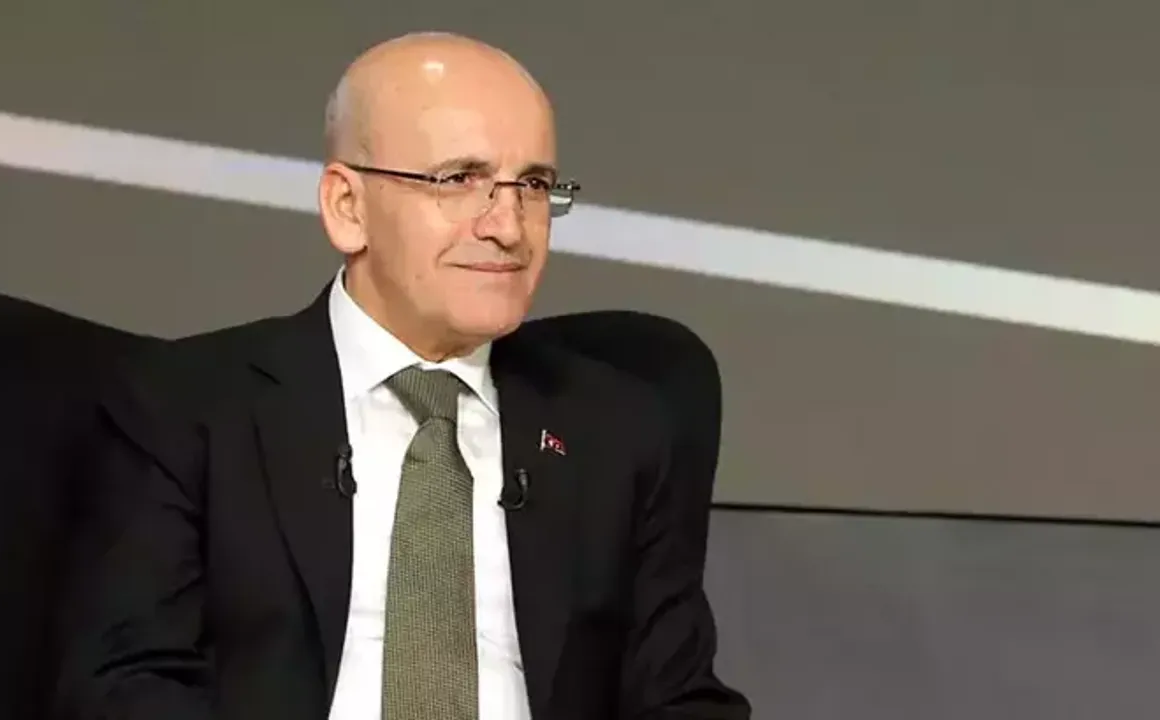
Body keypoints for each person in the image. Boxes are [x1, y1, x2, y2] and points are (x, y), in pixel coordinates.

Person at [52, 31, 750, 720]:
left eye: (533, 185)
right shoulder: (186, 407)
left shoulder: (617, 429)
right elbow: (124, 684)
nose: (509, 226)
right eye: (460, 179)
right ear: (347, 208)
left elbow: (680, 700)